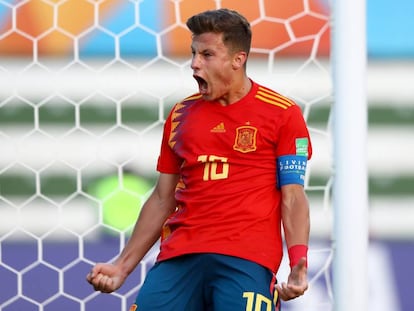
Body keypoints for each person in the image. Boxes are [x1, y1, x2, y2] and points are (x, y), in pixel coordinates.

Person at [87, 8, 312, 311]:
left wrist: (298, 261)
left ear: (238, 59)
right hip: (178, 259)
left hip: (245, 261)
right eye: (193, 53)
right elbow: (162, 198)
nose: (194, 64)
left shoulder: (283, 114)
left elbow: (293, 197)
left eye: (207, 54)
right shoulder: (181, 114)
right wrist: (121, 267)